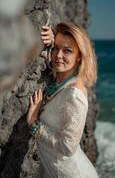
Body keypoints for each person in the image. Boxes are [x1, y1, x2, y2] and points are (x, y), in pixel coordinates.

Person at [26, 22, 99, 178]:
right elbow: (52, 61)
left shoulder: (75, 95)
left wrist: (34, 124)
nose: (58, 56)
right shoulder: (60, 81)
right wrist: (53, 41)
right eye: (56, 49)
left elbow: (68, 147)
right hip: (50, 170)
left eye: (67, 51)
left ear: (79, 56)